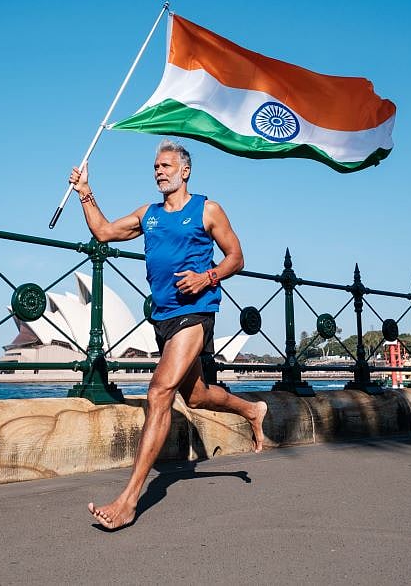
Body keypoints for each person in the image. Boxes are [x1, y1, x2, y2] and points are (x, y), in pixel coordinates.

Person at [69, 139, 268, 530]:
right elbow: (104, 232)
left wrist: (207, 277)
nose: (159, 171)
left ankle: (128, 501)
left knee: (159, 393)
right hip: (163, 317)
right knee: (195, 395)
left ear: (185, 171)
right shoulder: (149, 214)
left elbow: (237, 257)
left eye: (166, 166)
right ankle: (251, 410)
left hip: (195, 314)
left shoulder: (207, 209)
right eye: (156, 167)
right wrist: (84, 192)